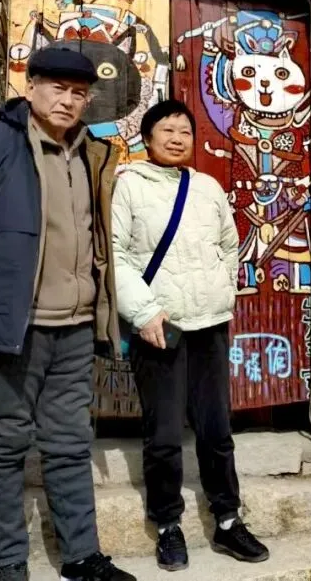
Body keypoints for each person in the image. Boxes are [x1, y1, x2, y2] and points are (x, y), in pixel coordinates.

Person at [0, 45, 135, 581]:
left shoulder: (92, 153)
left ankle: (81, 556)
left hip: (76, 326)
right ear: (31, 85)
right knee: (3, 444)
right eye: (58, 89)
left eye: (79, 93)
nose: (68, 101)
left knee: (70, 443)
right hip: (14, 330)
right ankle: (9, 564)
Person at [112, 99, 269, 572]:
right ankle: (167, 525)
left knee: (217, 429)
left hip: (210, 323)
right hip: (160, 326)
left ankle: (227, 519)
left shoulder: (207, 186)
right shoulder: (129, 185)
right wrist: (144, 312)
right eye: (167, 130)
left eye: (185, 130)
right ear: (147, 138)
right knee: (163, 434)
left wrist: (223, 289)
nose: (177, 138)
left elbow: (229, 243)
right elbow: (115, 254)